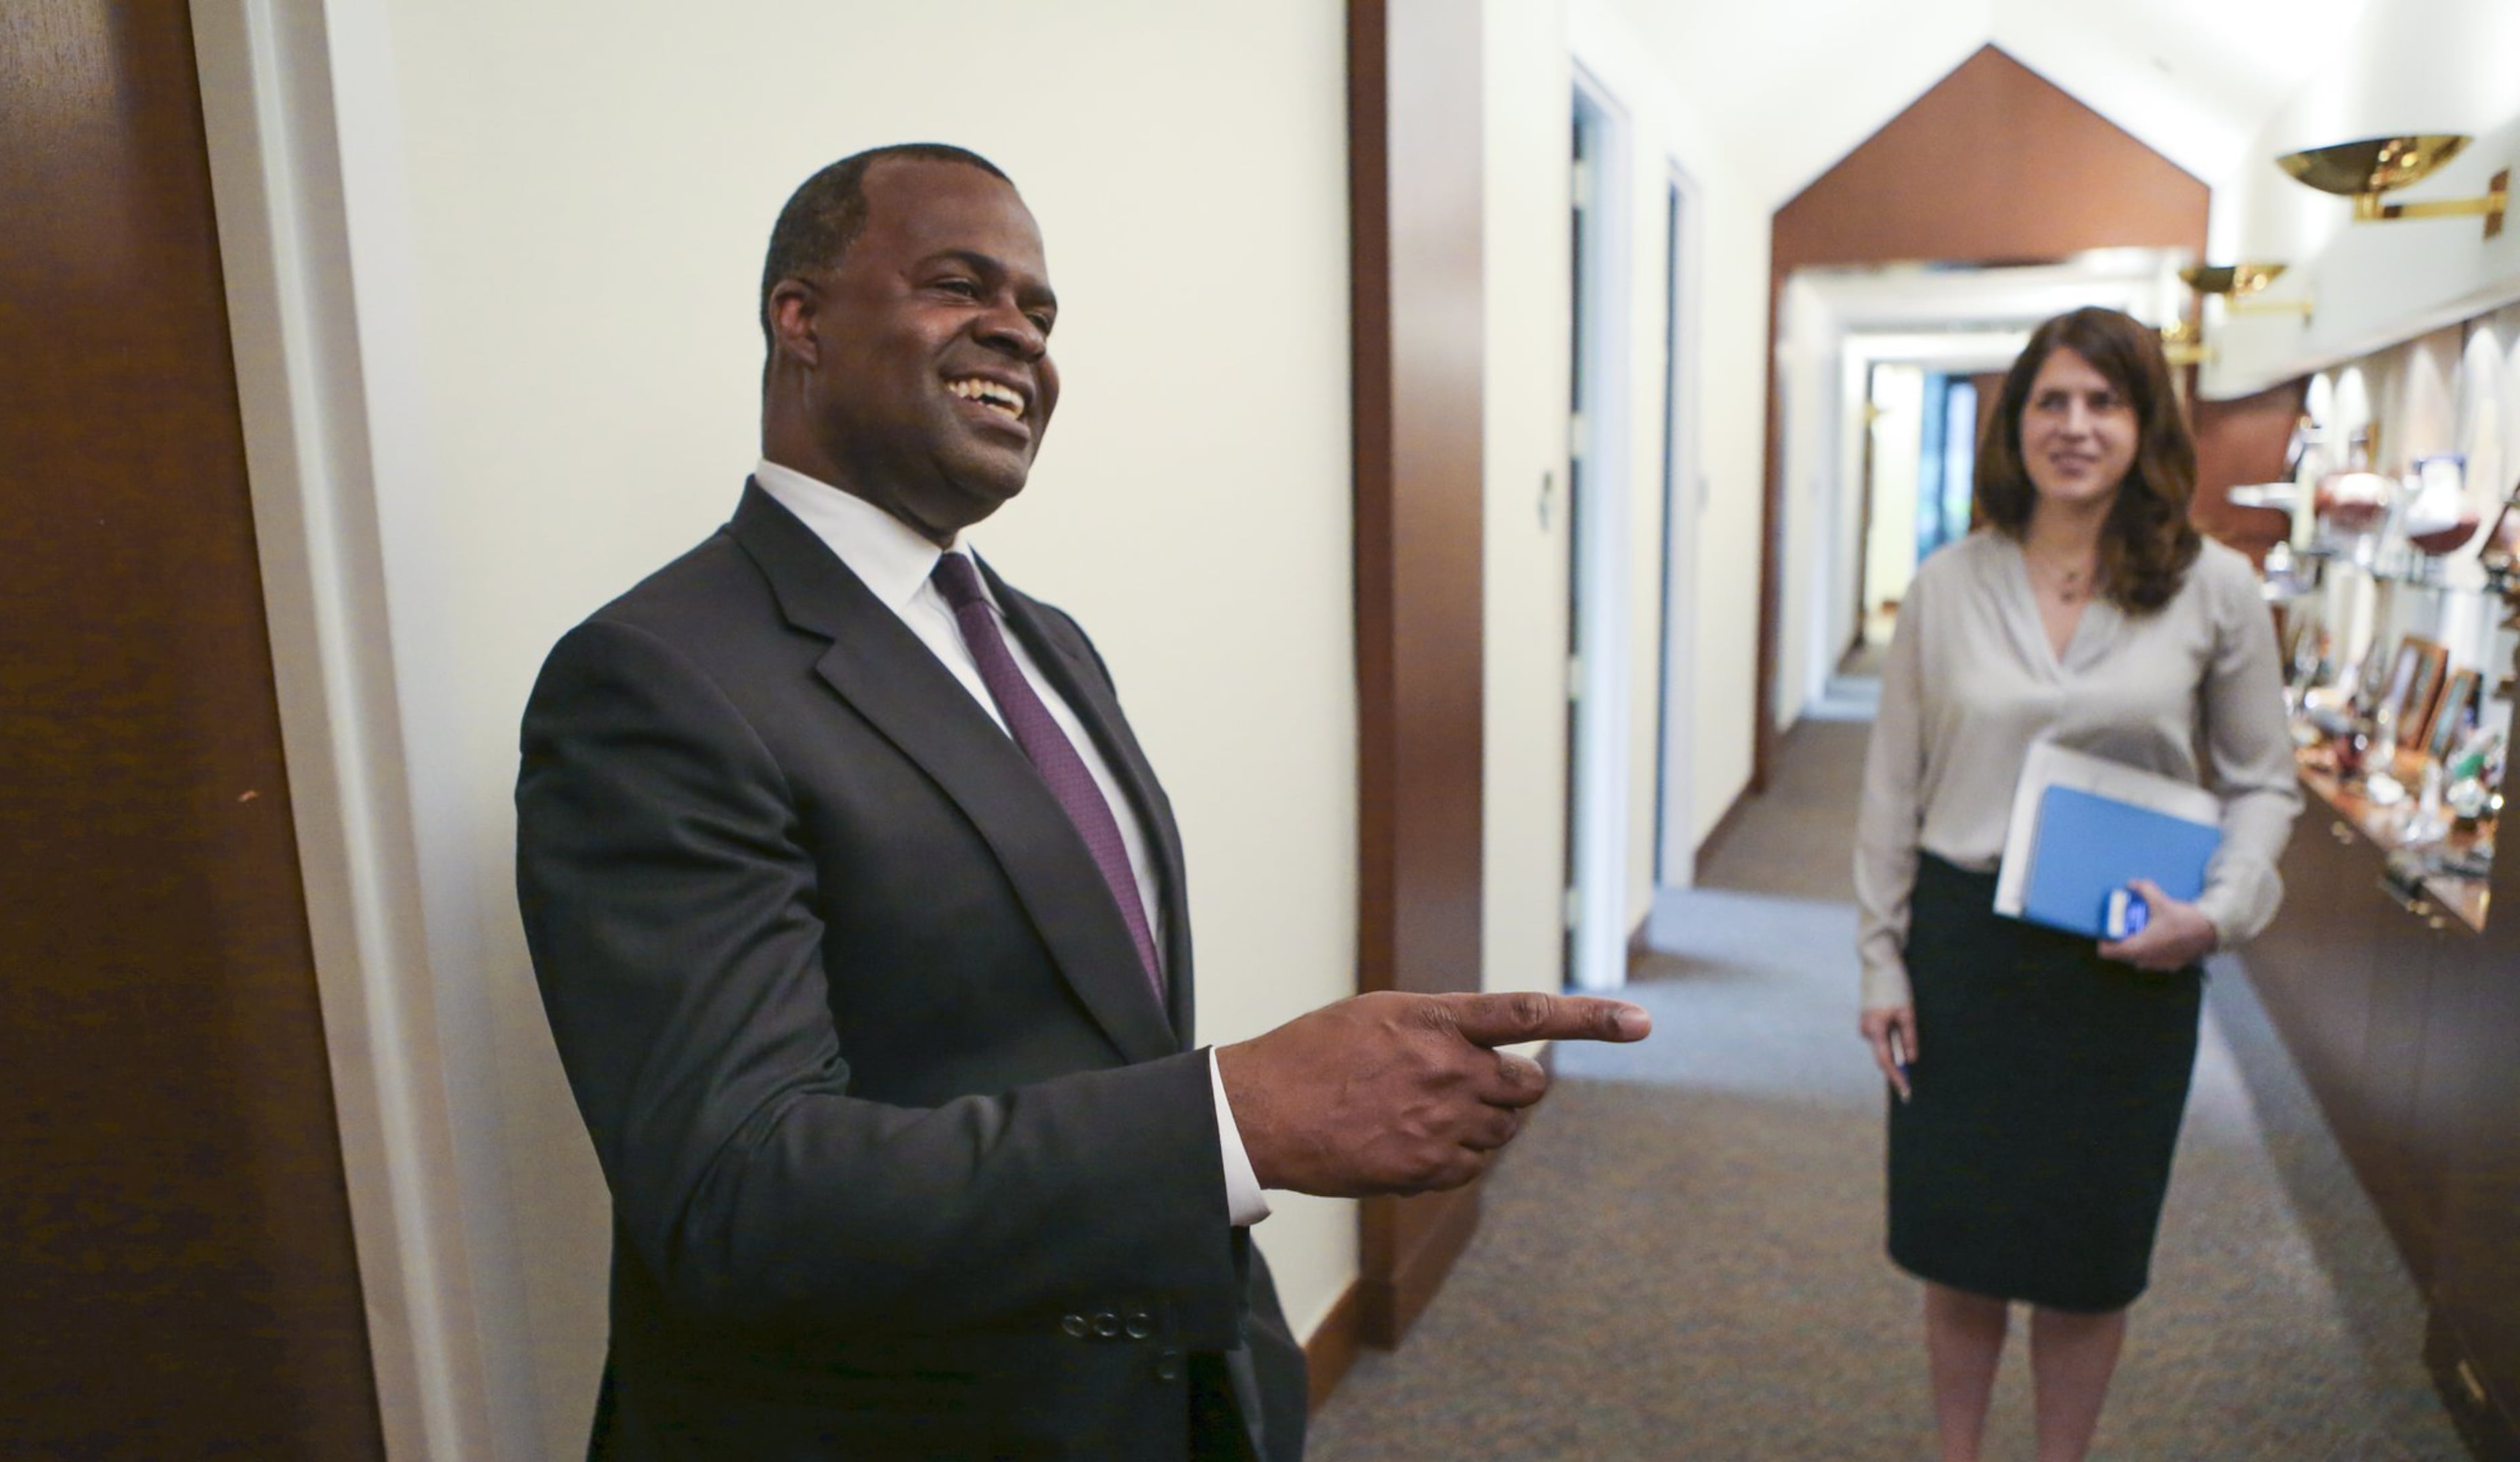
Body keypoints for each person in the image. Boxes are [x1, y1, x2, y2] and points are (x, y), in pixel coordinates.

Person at [515, 142, 1650, 1461]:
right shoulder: (656, 680)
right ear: (801, 317)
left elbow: (1095, 1031)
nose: (1017, 331)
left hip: (1155, 1378)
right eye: (959, 284)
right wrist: (1244, 1115)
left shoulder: (1041, 639)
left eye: (1041, 312)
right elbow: (737, 1196)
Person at [1852, 307, 2301, 1462]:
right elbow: (1892, 788)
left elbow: (2266, 784)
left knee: (2086, 1262)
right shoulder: (1949, 584)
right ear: (2017, 421)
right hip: (1966, 955)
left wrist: (2218, 915)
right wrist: (1880, 959)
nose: (2075, 425)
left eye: (2104, 402)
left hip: (2127, 964)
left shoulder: (2215, 588)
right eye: (2050, 400)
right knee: (1961, 1249)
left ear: (2145, 425)